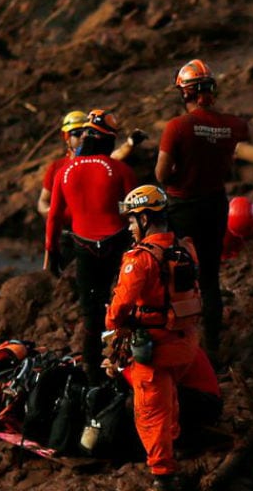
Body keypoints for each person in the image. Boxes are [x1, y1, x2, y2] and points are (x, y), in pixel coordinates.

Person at [107, 185, 200, 491]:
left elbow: (118, 310)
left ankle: (163, 476)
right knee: (170, 401)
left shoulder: (140, 259)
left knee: (151, 412)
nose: (131, 227)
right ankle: (171, 454)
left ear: (145, 219)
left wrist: (114, 323)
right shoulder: (186, 248)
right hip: (185, 344)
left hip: (154, 349)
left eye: (133, 220)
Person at [156, 59, 249, 361]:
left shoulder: (177, 127)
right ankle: (213, 346)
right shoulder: (233, 125)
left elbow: (160, 174)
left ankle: (181, 342)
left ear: (185, 94)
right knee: (210, 277)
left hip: (182, 207)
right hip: (215, 205)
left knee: (177, 275)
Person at [45, 109, 138, 382]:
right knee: (122, 306)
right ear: (109, 141)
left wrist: (52, 253)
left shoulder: (63, 172)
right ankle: (123, 367)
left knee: (90, 312)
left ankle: (92, 374)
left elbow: (53, 217)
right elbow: (134, 212)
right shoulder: (121, 169)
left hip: (82, 247)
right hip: (118, 244)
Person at [38, 111, 146, 217]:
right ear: (66, 136)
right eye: (78, 133)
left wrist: (130, 144)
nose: (83, 137)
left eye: (89, 132)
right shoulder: (56, 168)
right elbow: (43, 201)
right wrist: (54, 213)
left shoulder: (102, 163)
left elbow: (116, 155)